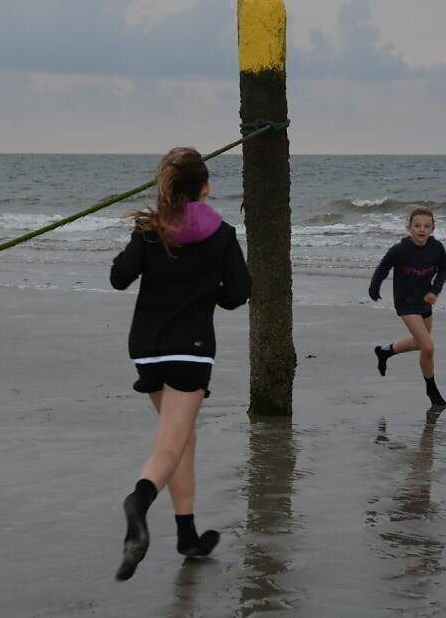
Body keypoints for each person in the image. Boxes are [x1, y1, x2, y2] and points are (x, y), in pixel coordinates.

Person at [109, 146, 251, 581]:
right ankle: (139, 501)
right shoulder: (223, 234)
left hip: (148, 348)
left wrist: (144, 234)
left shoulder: (152, 229)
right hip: (190, 351)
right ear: (205, 188)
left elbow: (119, 277)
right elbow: (238, 293)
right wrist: (208, 290)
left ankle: (187, 535)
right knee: (170, 446)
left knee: (181, 438)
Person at [368, 206, 446, 407]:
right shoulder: (399, 250)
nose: (422, 229)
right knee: (428, 347)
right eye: (417, 225)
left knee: (418, 344)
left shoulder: (437, 248)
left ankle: (385, 351)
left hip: (424, 301)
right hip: (405, 302)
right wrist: (374, 287)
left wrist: (435, 290)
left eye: (426, 226)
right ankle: (432, 391)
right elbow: (382, 268)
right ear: (409, 228)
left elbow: (444, 269)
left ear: (433, 228)